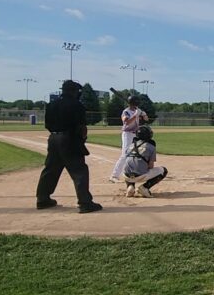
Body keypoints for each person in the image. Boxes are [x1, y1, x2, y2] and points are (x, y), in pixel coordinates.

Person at [36, 80, 102, 213]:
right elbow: (82, 126)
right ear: (73, 91)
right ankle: (85, 202)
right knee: (79, 170)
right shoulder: (76, 105)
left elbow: (47, 125)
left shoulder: (51, 104)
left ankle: (42, 199)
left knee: (51, 169)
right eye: (77, 91)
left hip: (53, 139)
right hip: (69, 138)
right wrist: (82, 140)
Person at [122, 125, 167, 198]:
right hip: (140, 176)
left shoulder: (131, 145)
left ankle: (130, 186)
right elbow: (150, 166)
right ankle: (145, 187)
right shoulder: (151, 146)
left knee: (129, 167)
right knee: (164, 170)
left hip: (126, 175)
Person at [110, 95, 148, 182]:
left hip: (136, 135)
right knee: (125, 155)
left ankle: (137, 173)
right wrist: (135, 115)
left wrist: (143, 114)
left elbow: (146, 119)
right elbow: (126, 122)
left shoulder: (137, 111)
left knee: (137, 154)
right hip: (127, 134)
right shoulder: (126, 111)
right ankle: (114, 176)